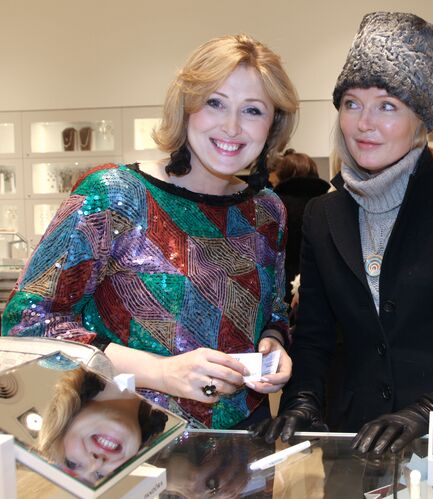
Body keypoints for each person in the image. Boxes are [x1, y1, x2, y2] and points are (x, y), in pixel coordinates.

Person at [252, 12, 433, 454]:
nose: (364, 123)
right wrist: (303, 400)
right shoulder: (323, 215)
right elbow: (314, 336)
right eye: (352, 103)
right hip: (359, 446)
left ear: (420, 119)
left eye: (387, 105)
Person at [2, 34, 299, 430]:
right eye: (215, 103)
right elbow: (28, 323)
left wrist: (274, 344)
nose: (232, 126)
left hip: (245, 437)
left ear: (273, 124)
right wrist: (160, 372)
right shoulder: (116, 195)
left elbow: (274, 311)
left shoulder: (267, 210)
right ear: (186, 107)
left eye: (252, 110)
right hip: (129, 436)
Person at [37, 367, 168, 484]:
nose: (97, 463)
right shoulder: (176, 403)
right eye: (101, 476)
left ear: (60, 425)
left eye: (73, 464)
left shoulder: (89, 349)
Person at [268, 149, 330, 305]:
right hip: (324, 288)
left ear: (283, 174)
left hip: (281, 289)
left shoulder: (274, 206)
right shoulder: (329, 204)